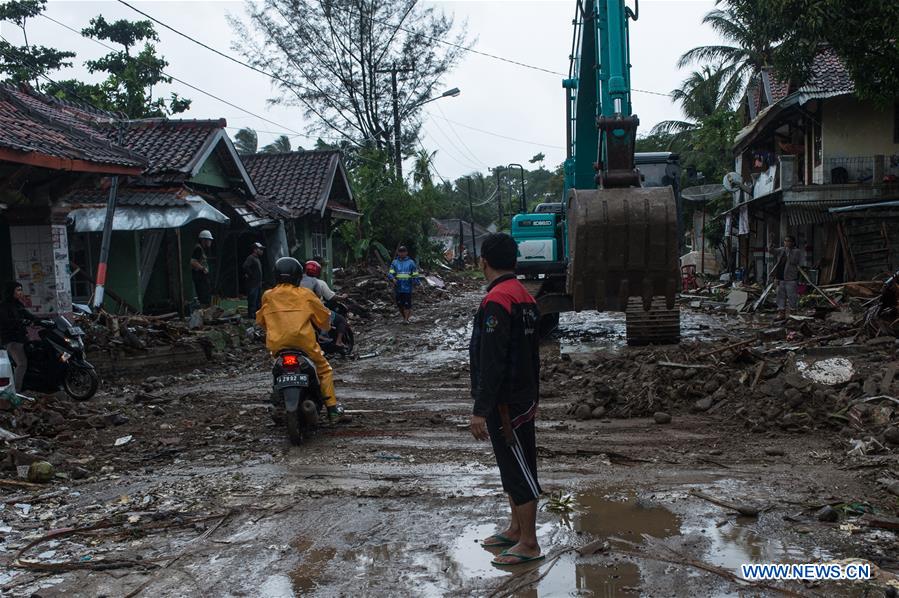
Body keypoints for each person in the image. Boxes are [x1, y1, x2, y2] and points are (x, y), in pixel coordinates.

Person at [468, 233, 543, 566]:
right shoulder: (525, 296)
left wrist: (480, 410)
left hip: (506, 402)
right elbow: (534, 355)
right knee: (510, 467)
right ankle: (515, 530)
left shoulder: (498, 300)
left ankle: (529, 542)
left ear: (484, 262)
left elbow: (492, 361)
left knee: (519, 470)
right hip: (520, 397)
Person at [255, 257, 349, 425]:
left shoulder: (268, 295)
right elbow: (323, 317)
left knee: (277, 369)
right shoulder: (305, 294)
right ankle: (333, 410)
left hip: (277, 346)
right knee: (325, 370)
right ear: (298, 276)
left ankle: (279, 402)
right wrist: (325, 327)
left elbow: (261, 320)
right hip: (304, 345)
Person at [301, 260, 348, 351]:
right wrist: (343, 297)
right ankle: (337, 341)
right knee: (341, 320)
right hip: (316, 310)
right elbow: (330, 296)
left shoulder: (297, 282)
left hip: (300, 311)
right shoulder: (318, 282)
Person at [0, 281, 37, 391]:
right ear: (11, 292)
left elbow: (28, 315)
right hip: (11, 339)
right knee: (22, 364)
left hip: (21, 337)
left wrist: (43, 321)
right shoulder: (4, 306)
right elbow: (7, 321)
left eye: (21, 290)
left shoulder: (18, 304)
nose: (20, 292)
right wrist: (21, 322)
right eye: (18, 290)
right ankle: (16, 391)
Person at [769, 235, 803, 319]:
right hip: (780, 278)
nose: (786, 243)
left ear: (793, 243)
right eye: (785, 241)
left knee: (792, 296)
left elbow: (793, 261)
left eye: (788, 241)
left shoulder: (796, 251)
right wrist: (770, 245)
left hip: (791, 278)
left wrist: (788, 252)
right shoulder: (781, 250)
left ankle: (793, 313)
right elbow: (773, 251)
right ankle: (781, 313)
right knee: (780, 297)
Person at [387, 246, 421, 324]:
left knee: (407, 304)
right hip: (398, 287)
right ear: (398, 253)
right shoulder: (394, 262)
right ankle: (405, 317)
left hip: (407, 287)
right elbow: (390, 273)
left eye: (403, 252)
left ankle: (406, 319)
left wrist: (417, 282)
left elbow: (415, 273)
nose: (402, 253)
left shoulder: (411, 262)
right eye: (400, 252)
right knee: (399, 304)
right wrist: (392, 279)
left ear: (406, 253)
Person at [191, 230, 214, 307]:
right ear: (203, 240)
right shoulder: (198, 248)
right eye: (209, 240)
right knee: (203, 297)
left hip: (203, 277)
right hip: (200, 277)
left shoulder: (202, 249)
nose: (210, 242)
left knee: (207, 295)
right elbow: (193, 261)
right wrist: (203, 268)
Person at [243, 242, 265, 320]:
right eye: (260, 249)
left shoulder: (257, 259)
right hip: (252, 284)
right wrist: (251, 275)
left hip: (258, 283)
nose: (262, 251)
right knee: (252, 300)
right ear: (255, 250)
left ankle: (257, 316)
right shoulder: (251, 258)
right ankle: (251, 317)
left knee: (258, 301)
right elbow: (245, 266)